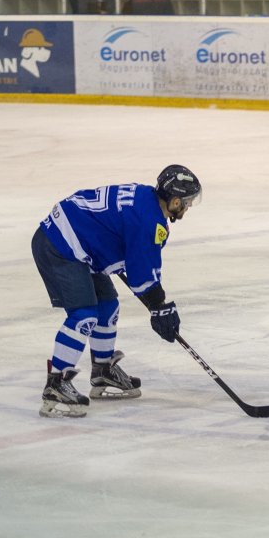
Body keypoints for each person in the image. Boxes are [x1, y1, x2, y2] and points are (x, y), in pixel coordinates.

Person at [34, 165, 202, 417]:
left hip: (80, 245)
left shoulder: (147, 199)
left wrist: (157, 305)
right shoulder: (149, 222)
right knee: (85, 314)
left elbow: (133, 260)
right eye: (187, 202)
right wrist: (160, 306)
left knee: (107, 306)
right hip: (60, 245)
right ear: (175, 200)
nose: (188, 207)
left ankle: (102, 371)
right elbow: (142, 274)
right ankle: (56, 384)